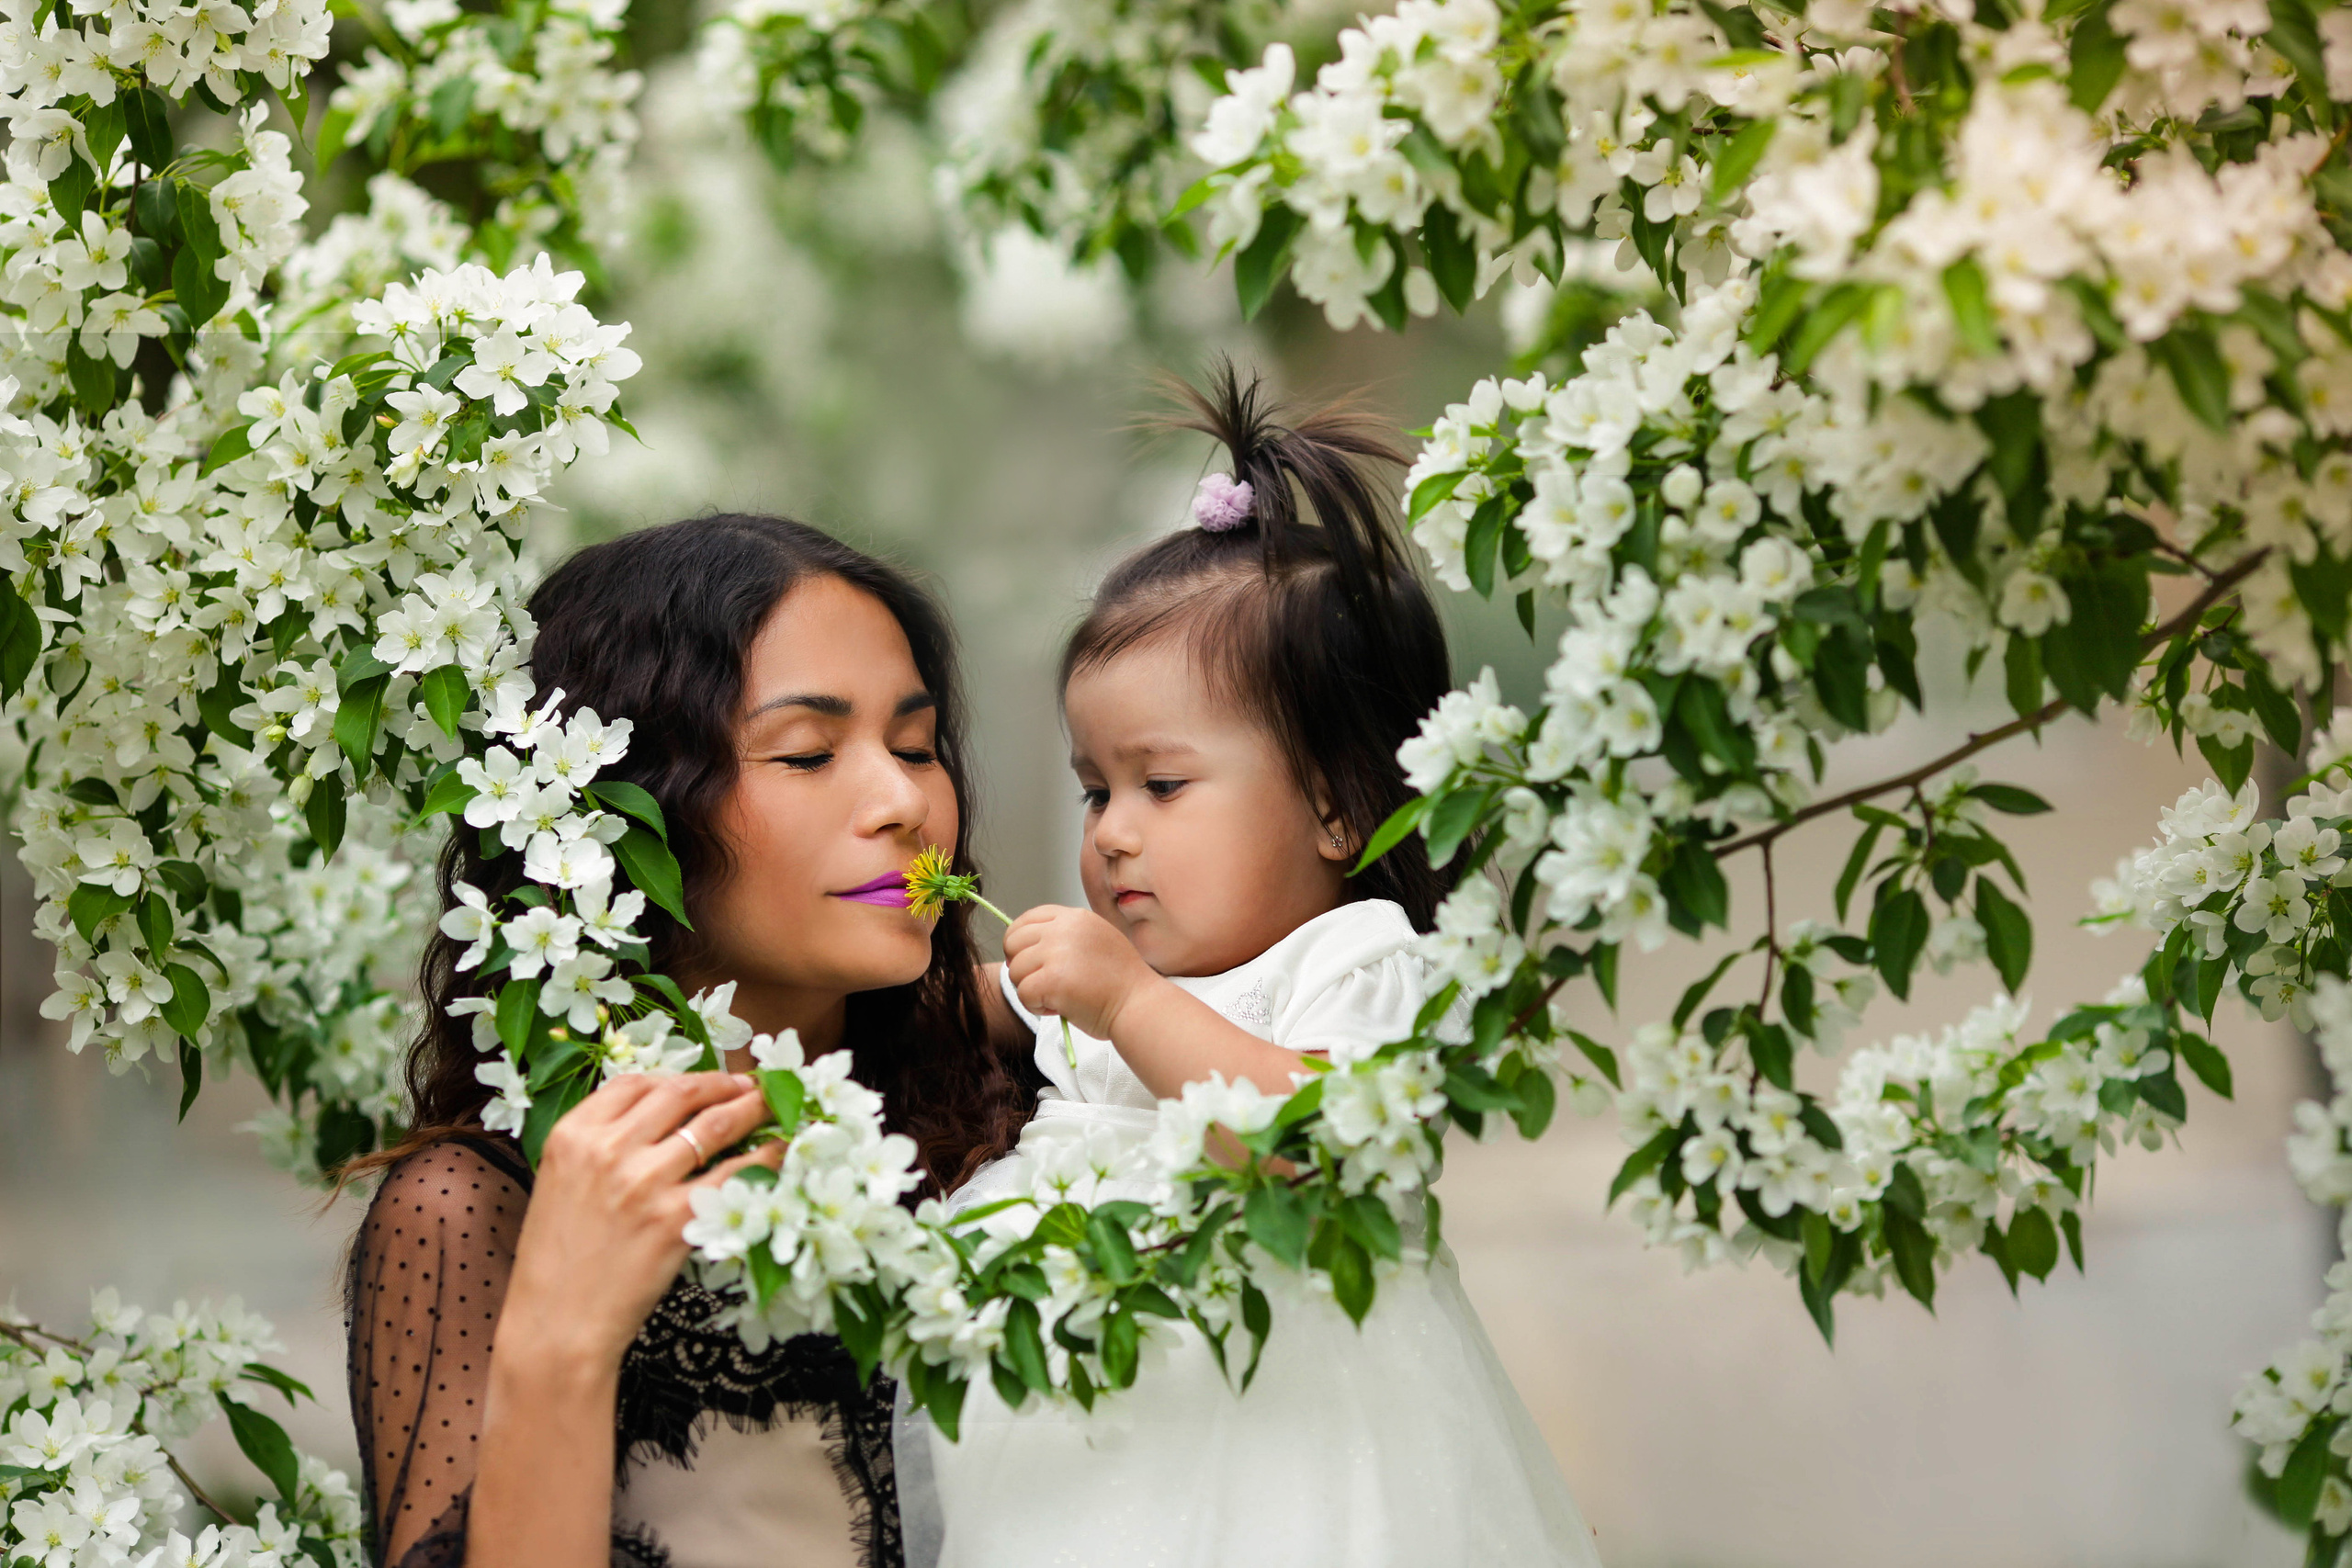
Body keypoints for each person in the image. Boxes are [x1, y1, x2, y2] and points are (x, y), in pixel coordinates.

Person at [901, 367, 1601, 1566]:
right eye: (1096, 790)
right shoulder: (1113, 966)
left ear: (1338, 806)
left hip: (1286, 1428)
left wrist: (1128, 1002)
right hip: (1089, 1423)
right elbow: (951, 1013)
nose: (1113, 832)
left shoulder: (1357, 960)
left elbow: (1312, 1143)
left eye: (1162, 785)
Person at [342, 514, 1040, 1568]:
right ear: (629, 810)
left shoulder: (1019, 1097)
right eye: (808, 753)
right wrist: (562, 1340)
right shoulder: (477, 1208)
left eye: (914, 747)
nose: (903, 801)